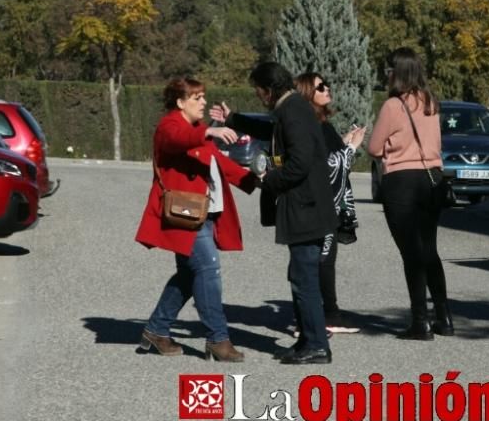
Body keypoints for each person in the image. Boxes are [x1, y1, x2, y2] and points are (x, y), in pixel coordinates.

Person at [218, 62, 338, 364]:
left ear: (268, 89)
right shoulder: (291, 108)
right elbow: (272, 131)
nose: (258, 96)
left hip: (306, 208)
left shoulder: (294, 110)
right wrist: (234, 119)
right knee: (300, 275)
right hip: (307, 207)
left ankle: (317, 346)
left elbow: (299, 163)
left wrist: (267, 180)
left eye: (258, 90)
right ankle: (308, 340)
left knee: (304, 278)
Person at [135, 77, 259, 362]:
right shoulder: (171, 125)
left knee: (189, 275)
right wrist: (210, 133)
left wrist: (257, 180)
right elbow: (177, 140)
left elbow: (220, 163)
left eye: (203, 97)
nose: (203, 102)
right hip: (186, 215)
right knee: (208, 269)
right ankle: (218, 339)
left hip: (201, 213)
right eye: (197, 98)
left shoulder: (195, 130)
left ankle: (156, 330)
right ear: (180, 102)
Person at [367, 47, 450, 340]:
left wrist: (392, 149)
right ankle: (444, 317)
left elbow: (374, 148)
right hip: (432, 178)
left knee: (411, 253)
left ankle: (419, 321)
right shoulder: (430, 101)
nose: (385, 76)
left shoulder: (393, 106)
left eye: (388, 71)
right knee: (429, 249)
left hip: (402, 180)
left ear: (397, 72)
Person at [294, 72, 366, 334]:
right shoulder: (312, 123)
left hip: (326, 205)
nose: (327, 89)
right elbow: (328, 166)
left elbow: (330, 154)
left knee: (325, 258)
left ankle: (327, 313)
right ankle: (323, 317)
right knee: (321, 259)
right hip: (320, 204)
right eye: (320, 87)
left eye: (326, 85)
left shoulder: (322, 122)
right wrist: (352, 148)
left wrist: (345, 140)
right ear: (307, 94)